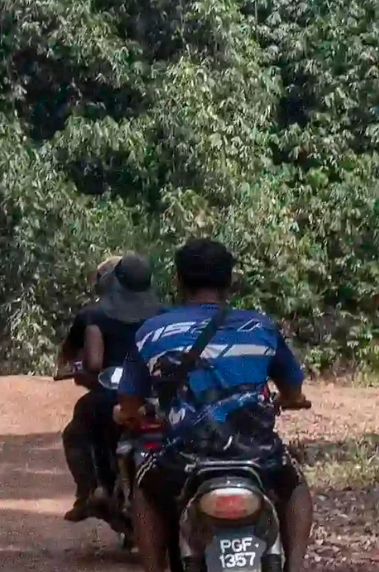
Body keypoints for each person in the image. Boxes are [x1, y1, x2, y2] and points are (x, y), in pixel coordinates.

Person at [116, 239, 314, 572]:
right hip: (257, 455)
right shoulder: (260, 327)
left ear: (178, 280)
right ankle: (294, 566)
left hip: (184, 458)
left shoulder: (152, 332)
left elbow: (128, 402)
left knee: (144, 493)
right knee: (295, 486)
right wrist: (291, 400)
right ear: (230, 280)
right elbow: (293, 389)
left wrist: (130, 414)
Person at [56, 252, 164, 522]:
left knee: (77, 431)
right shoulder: (165, 315)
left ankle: (91, 491)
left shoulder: (93, 316)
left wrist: (76, 370)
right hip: (158, 398)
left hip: (112, 397)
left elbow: (86, 361)